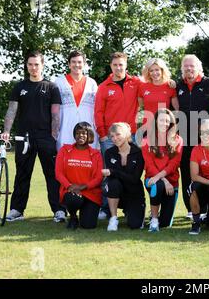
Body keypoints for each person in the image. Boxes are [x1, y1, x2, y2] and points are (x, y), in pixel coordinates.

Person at [1, 51, 66, 223]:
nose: (33, 67)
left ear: (42, 65)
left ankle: (59, 210)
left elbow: (56, 115)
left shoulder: (51, 87)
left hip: (46, 137)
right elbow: (11, 111)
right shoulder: (19, 87)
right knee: (22, 173)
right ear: (27, 66)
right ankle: (17, 210)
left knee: (52, 174)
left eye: (36, 64)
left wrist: (53, 136)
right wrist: (7, 130)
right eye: (30, 64)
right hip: (24, 137)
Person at [94, 52, 141, 219]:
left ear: (126, 65)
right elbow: (98, 112)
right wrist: (102, 134)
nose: (118, 68)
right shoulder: (103, 87)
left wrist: (169, 83)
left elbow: (152, 87)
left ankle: (130, 206)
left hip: (131, 136)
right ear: (111, 66)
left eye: (121, 64)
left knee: (132, 173)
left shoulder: (135, 82)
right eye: (115, 65)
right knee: (109, 173)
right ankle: (106, 209)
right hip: (110, 138)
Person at [176, 54, 209, 218]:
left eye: (192, 66)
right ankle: (191, 209)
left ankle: (207, 208)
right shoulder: (178, 86)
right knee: (186, 172)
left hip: (205, 137)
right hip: (184, 137)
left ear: (199, 68)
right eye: (186, 67)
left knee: (206, 171)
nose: (189, 69)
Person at [55, 122, 103, 229]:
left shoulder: (96, 154)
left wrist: (83, 186)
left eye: (83, 133)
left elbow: (99, 177)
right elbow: (58, 173)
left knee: (88, 225)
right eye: (77, 133)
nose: (80, 135)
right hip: (71, 191)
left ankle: (85, 214)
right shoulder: (65, 150)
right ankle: (73, 217)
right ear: (74, 135)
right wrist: (70, 186)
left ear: (89, 135)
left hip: (90, 193)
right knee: (73, 199)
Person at [142, 108, 183, 232]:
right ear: (155, 121)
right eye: (161, 120)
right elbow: (149, 165)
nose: (164, 124)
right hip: (152, 179)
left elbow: (174, 164)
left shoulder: (178, 140)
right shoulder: (146, 140)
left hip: (172, 183)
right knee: (157, 185)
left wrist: (165, 180)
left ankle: (160, 219)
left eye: (167, 121)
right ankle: (154, 220)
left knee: (165, 223)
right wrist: (164, 180)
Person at [102, 122, 146, 231]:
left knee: (135, 225)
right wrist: (113, 173)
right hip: (117, 192)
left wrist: (113, 171)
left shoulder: (138, 152)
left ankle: (130, 210)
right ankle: (113, 218)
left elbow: (135, 179)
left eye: (118, 134)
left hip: (134, 193)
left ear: (126, 134)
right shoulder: (109, 153)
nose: (115, 138)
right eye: (112, 136)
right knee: (112, 183)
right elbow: (112, 177)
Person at [54, 50, 99, 150]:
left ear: (84, 64)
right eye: (73, 62)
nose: (76, 65)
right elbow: (54, 110)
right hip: (65, 129)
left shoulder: (91, 83)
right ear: (69, 64)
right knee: (66, 161)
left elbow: (97, 109)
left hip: (88, 130)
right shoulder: (59, 83)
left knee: (88, 161)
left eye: (79, 62)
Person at [138, 58, 179, 129]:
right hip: (148, 126)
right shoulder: (142, 87)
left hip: (164, 126)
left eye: (157, 70)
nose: (154, 73)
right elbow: (141, 105)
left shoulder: (170, 86)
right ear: (148, 72)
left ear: (162, 70)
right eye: (151, 70)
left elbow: (177, 109)